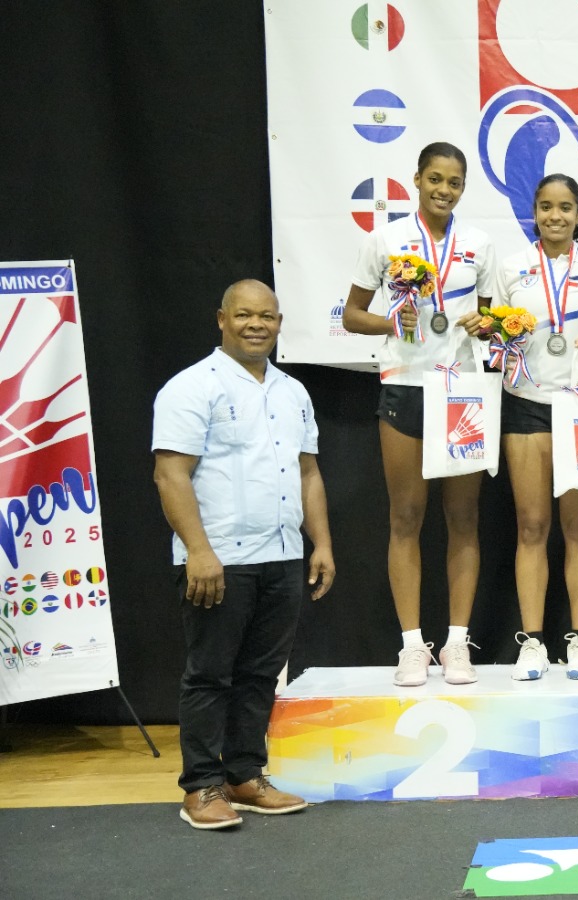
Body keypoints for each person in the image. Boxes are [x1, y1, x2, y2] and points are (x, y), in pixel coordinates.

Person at [152, 279, 335, 830]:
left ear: (280, 323)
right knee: (210, 676)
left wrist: (320, 542)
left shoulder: (292, 391)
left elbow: (308, 473)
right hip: (218, 558)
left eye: (267, 317)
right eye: (244, 315)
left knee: (260, 673)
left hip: (281, 554)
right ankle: (202, 787)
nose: (257, 325)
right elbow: (170, 473)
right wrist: (199, 552)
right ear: (222, 319)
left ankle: (245, 775)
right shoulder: (190, 388)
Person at [342, 142, 496, 687]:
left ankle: (457, 643)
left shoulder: (478, 244)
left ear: (463, 188)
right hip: (404, 386)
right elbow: (353, 315)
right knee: (405, 517)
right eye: (435, 179)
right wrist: (394, 323)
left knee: (463, 519)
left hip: (461, 392)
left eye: (454, 182)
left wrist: (486, 325)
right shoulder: (384, 240)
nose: (444, 190)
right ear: (416, 180)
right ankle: (411, 646)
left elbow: (496, 316)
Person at [490, 174, 578, 680]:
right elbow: (498, 334)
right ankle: (533, 643)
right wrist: (500, 337)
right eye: (546, 207)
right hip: (526, 401)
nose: (556, 216)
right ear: (534, 213)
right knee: (531, 526)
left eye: (565, 207)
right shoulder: (512, 268)